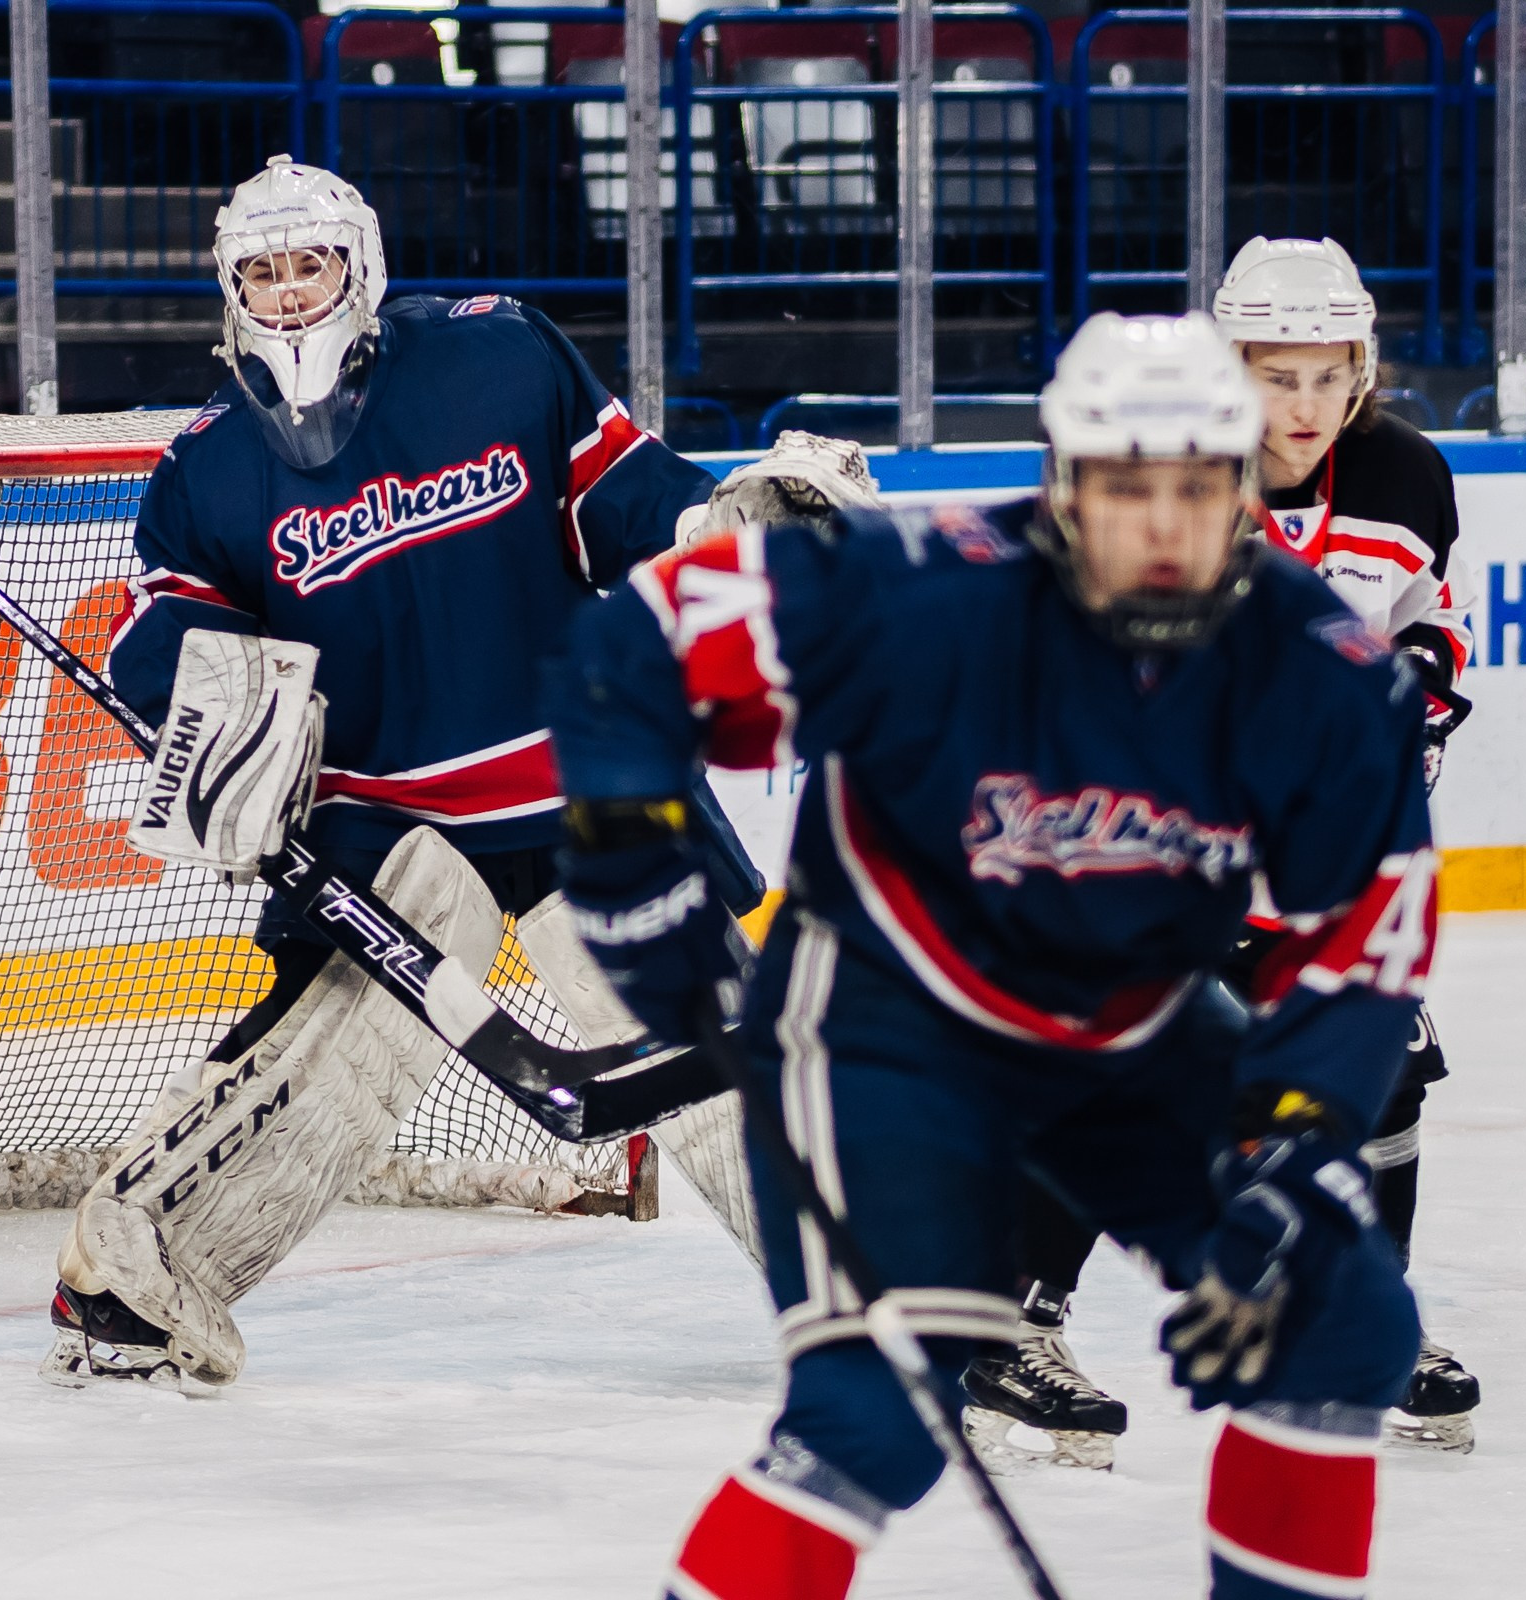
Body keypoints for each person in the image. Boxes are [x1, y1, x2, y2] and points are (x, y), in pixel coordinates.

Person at [550, 312, 1433, 1600]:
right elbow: (640, 641)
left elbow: (1358, 938)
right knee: (877, 1413)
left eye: (1198, 484)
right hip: (880, 1026)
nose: (1165, 524)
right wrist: (632, 862)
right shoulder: (924, 594)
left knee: (1337, 1315)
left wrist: (1292, 1137)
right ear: (1067, 485)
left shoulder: (1324, 673)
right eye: (1129, 485)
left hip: (1125, 1031)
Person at [41, 155, 734, 1388]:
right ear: (229, 286)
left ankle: (903, 1284)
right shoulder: (208, 463)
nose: (290, 293)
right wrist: (209, 734)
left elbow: (630, 494)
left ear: (359, 267)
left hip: (575, 775)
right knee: (321, 1059)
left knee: (726, 1036)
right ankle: (126, 1281)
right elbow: (163, 635)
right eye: (262, 270)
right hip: (383, 818)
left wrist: (720, 518)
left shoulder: (499, 353)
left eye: (311, 264)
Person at [969, 237, 1479, 1462]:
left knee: (1384, 1075)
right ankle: (1008, 1329)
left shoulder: (1409, 476)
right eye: (1272, 375)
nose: (1300, 408)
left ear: (1361, 372)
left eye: (1325, 376)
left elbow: (1434, 630)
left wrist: (1414, 688)